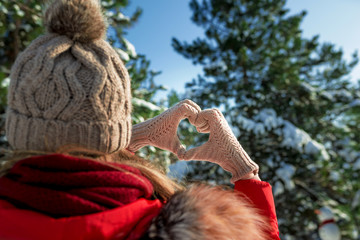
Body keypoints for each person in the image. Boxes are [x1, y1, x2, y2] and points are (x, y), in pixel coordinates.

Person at [0, 0, 280, 239]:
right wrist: (245, 174)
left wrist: (116, 143)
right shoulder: (179, 226)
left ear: (18, 127)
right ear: (115, 128)